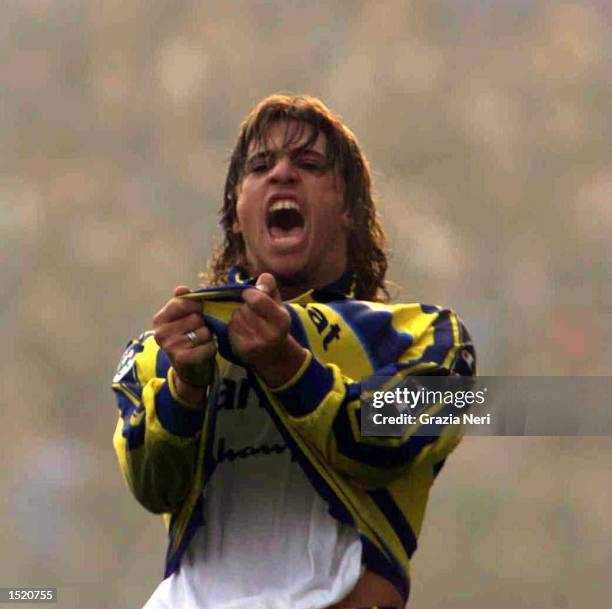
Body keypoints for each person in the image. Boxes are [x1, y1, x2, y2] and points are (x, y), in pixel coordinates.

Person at [112, 94, 476, 609]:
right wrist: (185, 388)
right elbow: (151, 488)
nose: (282, 174)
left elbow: (392, 443)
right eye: (261, 166)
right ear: (235, 213)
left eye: (308, 164)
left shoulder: (431, 336)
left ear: (350, 208)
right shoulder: (160, 349)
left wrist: (286, 367)